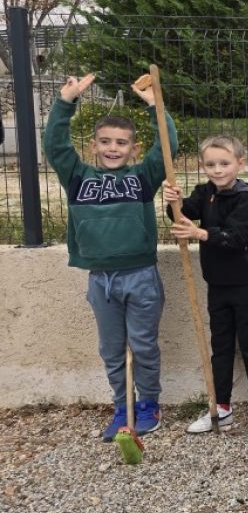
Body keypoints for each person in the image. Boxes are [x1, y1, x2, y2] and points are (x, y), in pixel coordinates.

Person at [43, 73, 177, 441]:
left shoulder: (143, 177)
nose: (113, 148)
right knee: (111, 349)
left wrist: (155, 105)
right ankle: (123, 407)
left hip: (141, 276)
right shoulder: (77, 177)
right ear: (94, 146)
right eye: (105, 142)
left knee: (144, 344)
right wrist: (65, 102)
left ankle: (149, 405)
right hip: (100, 279)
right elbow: (55, 146)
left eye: (121, 143)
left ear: (133, 148)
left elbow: (167, 146)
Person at [164, 135, 248, 433]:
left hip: (247, 281)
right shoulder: (205, 193)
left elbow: (235, 237)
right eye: (210, 164)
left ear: (240, 163)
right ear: (203, 166)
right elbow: (182, 216)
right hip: (217, 283)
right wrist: (174, 202)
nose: (217, 170)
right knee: (220, 345)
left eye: (224, 163)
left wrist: (199, 234)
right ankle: (220, 405)